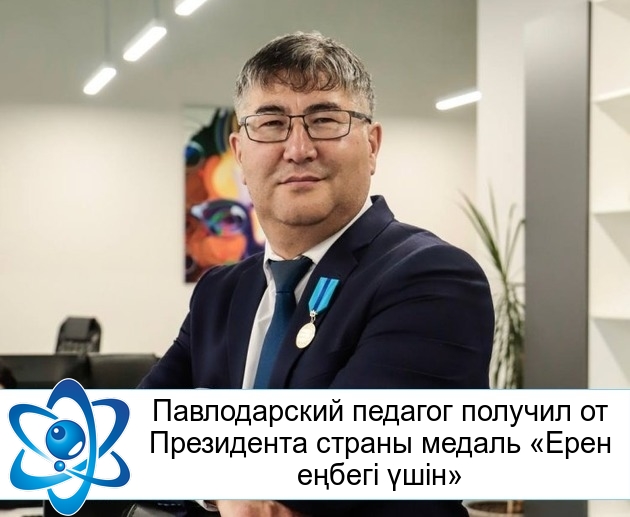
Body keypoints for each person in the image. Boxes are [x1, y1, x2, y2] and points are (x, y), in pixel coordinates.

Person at [140, 31, 495, 517]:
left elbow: (342, 464)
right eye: (271, 123)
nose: (298, 148)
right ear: (239, 152)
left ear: (372, 145)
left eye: (325, 120)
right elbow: (131, 440)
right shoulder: (220, 294)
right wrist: (223, 487)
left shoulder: (432, 279)